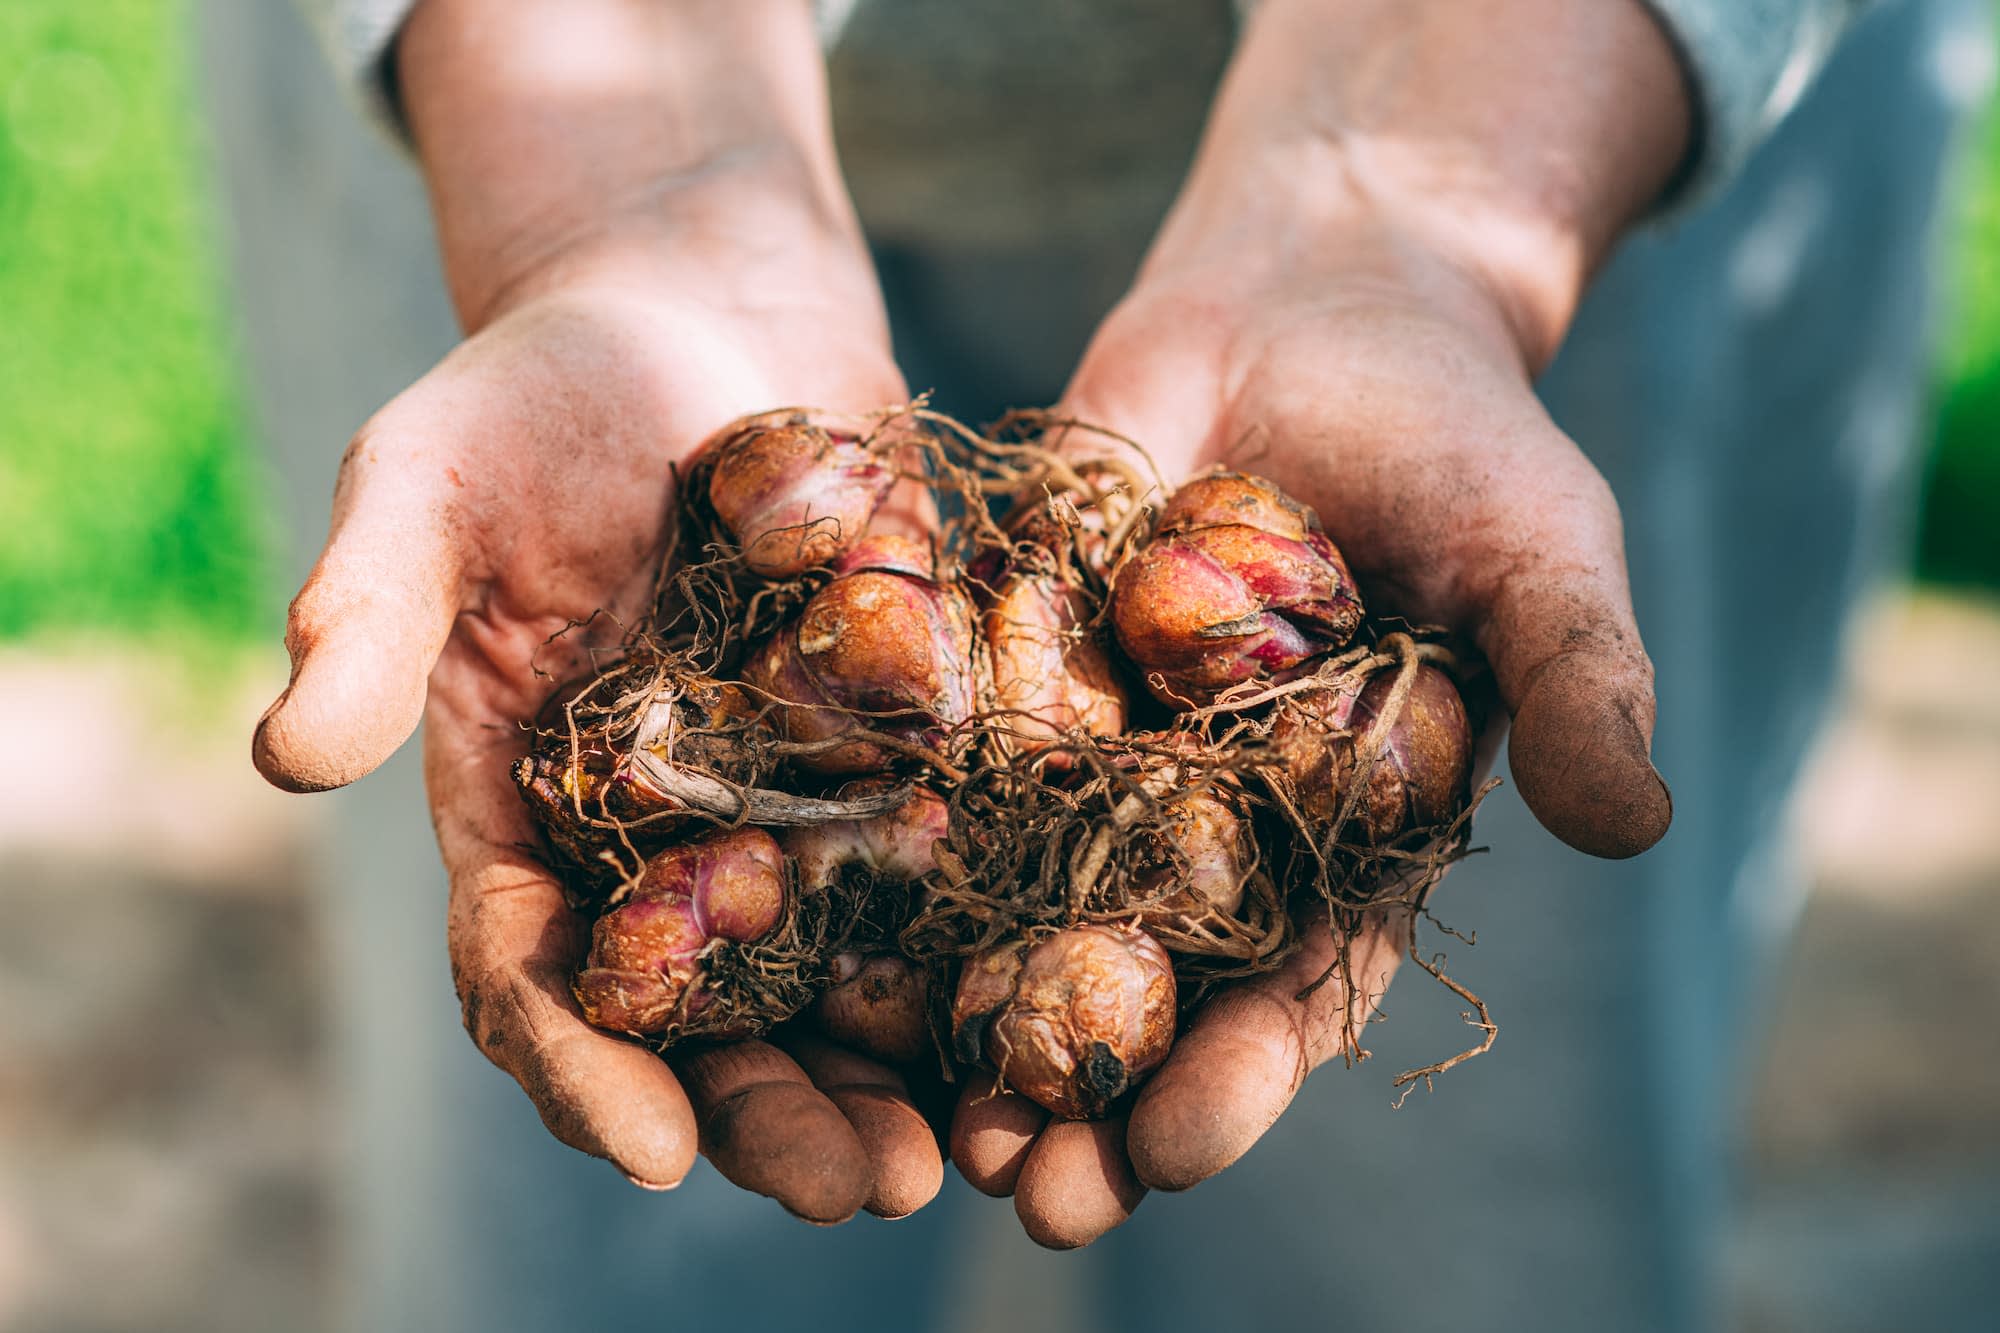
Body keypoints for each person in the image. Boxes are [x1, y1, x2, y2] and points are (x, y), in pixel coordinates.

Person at [210, 0, 1984, 1327]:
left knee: (1467, 1258)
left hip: (1543, 85)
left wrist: (1425, 195)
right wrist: (614, 184)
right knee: (585, 1271)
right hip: (542, 81)